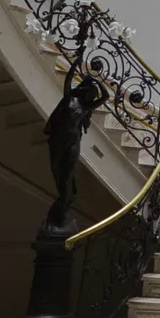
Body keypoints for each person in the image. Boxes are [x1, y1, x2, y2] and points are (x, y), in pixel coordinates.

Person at [42, 64, 106, 232]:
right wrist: (76, 63)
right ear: (84, 90)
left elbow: (105, 97)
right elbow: (69, 79)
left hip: (73, 143)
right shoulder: (69, 98)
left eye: (93, 95)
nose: (92, 96)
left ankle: (59, 217)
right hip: (58, 141)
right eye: (90, 93)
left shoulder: (86, 108)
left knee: (67, 179)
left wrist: (97, 82)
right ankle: (56, 218)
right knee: (59, 175)